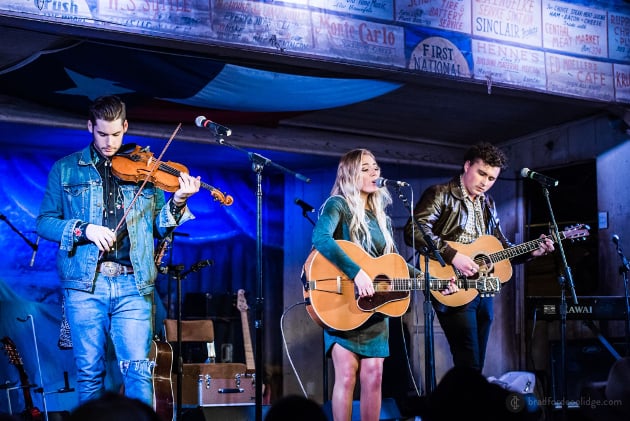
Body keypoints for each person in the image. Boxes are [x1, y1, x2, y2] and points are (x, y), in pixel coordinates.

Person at [36, 95, 201, 406]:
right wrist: (84, 229)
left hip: (133, 284)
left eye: (115, 134)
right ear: (90, 127)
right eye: (102, 134)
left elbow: (158, 228)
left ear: (125, 127)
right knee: (89, 373)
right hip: (86, 284)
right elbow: (44, 223)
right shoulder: (66, 169)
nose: (109, 142)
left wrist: (178, 202)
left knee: (139, 373)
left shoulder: (146, 169)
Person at [311, 149, 457, 421]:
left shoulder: (381, 218)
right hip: (343, 303)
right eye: (365, 168)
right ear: (350, 174)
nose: (374, 172)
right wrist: (356, 273)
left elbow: (395, 265)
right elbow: (320, 238)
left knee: (375, 376)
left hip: (375, 307)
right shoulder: (337, 205)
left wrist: (434, 282)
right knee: (346, 375)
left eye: (375, 167)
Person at [403, 142, 554, 372]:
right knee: (468, 363)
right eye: (481, 173)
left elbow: (501, 248)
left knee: (476, 366)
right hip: (451, 284)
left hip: (483, 289)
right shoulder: (440, 194)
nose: (485, 182)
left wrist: (531, 252)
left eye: (491, 178)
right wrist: (453, 256)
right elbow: (414, 230)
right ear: (467, 166)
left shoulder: (488, 203)